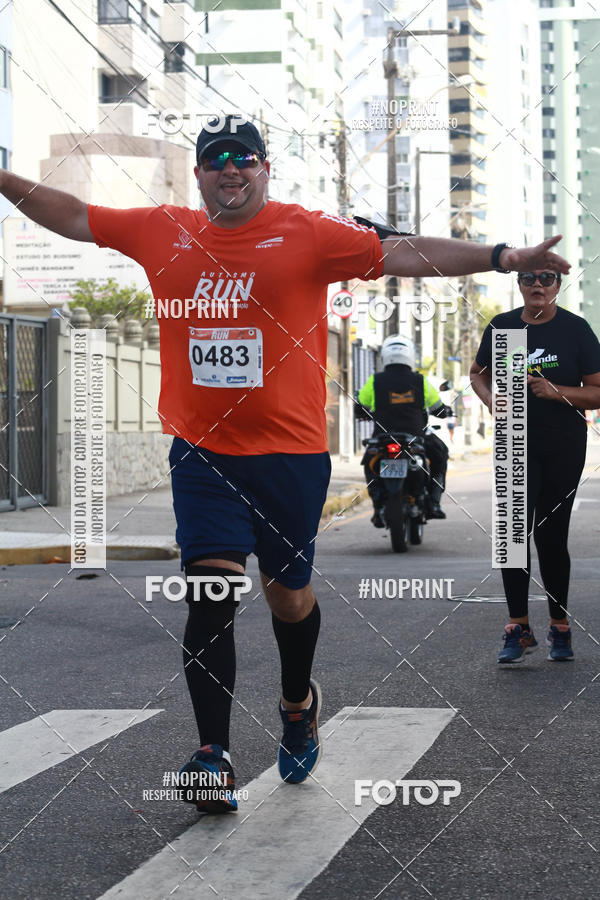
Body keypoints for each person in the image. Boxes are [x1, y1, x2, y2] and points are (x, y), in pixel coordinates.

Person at [0, 116, 570, 813]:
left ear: (264, 168)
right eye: (216, 159)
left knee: (288, 596)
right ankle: (212, 755)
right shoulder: (163, 230)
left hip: (291, 459)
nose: (230, 168)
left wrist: (503, 257)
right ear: (199, 173)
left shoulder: (308, 232)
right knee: (211, 594)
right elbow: (72, 214)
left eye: (244, 158)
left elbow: (408, 254)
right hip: (204, 455)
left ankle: (297, 703)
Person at [470, 270, 600, 664]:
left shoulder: (575, 329)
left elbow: (597, 392)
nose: (537, 285)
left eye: (546, 278)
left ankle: (560, 626)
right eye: (529, 278)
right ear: (520, 285)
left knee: (551, 537)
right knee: (511, 537)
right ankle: (518, 627)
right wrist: (490, 399)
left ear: (557, 285)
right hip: (514, 442)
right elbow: (477, 374)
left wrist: (557, 392)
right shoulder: (504, 327)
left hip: (563, 445)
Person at [358, 334, 452, 522]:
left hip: (383, 439)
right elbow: (438, 408)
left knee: (369, 463)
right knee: (440, 454)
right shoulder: (420, 381)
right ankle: (434, 503)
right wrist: (445, 411)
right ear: (410, 356)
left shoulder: (375, 380)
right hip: (416, 438)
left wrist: (364, 412)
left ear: (385, 356)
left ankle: (378, 506)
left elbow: (360, 407)